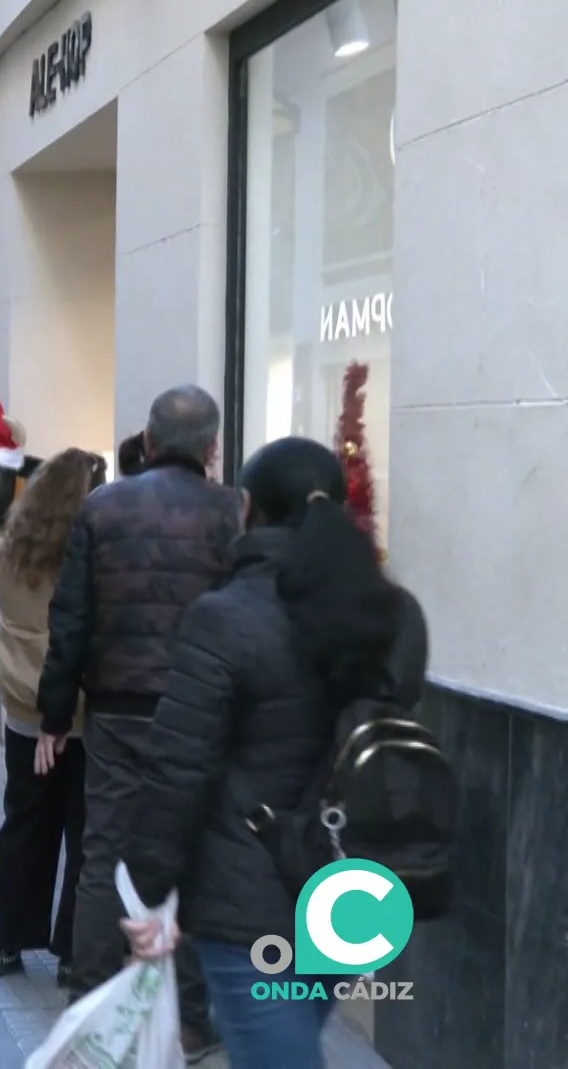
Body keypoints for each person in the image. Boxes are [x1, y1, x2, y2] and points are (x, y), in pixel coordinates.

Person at [118, 436, 428, 1068]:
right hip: (357, 888)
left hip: (252, 895)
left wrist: (149, 891)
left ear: (249, 508)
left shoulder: (225, 617)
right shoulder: (393, 615)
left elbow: (180, 767)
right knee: (289, 1043)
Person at [33, 385, 240, 1056]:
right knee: (200, 853)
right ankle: (192, 1014)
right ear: (212, 449)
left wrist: (54, 717)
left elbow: (71, 621)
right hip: (205, 712)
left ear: (147, 443)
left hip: (119, 708)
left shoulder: (101, 507)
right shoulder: (234, 513)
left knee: (105, 850)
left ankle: (93, 988)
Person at [0, 448, 102, 986]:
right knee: (83, 833)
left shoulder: (10, 546)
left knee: (25, 825)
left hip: (22, 709)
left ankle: (6, 940)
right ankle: (72, 950)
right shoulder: (85, 555)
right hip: (77, 713)